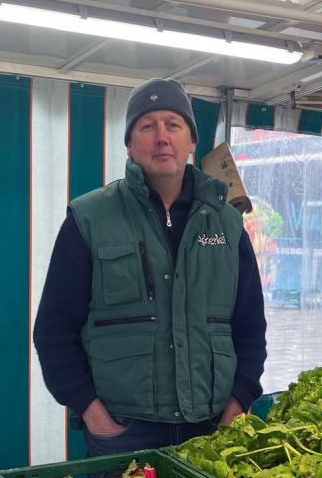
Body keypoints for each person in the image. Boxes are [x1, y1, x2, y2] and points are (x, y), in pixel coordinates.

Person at [33, 77, 267, 456]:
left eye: (173, 125)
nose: (162, 137)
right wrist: (93, 414)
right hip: (124, 432)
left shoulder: (226, 224)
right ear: (129, 143)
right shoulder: (89, 219)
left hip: (210, 430)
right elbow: (53, 331)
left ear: (191, 141)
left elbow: (250, 328)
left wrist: (236, 406)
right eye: (147, 126)